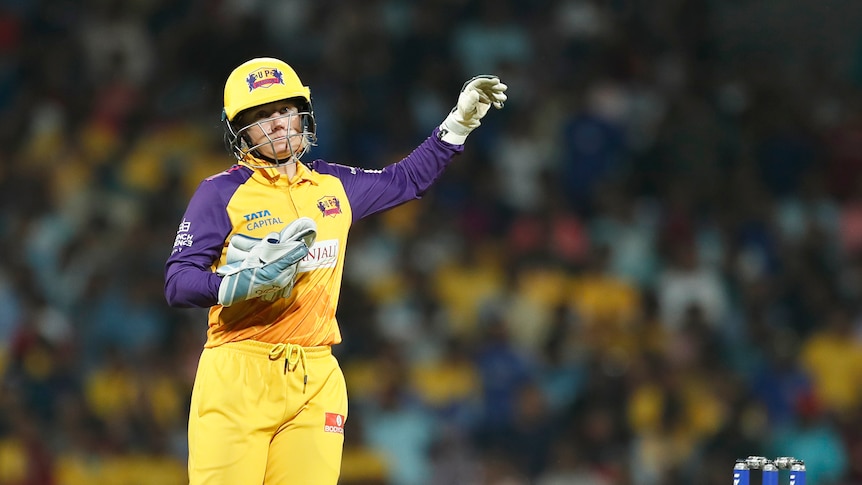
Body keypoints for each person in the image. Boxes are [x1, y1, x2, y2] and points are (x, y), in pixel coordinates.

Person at [164, 57, 507, 485]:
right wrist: (235, 285)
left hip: (316, 376)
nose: (277, 125)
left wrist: (458, 124)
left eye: (284, 111)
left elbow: (405, 181)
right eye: (261, 117)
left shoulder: (333, 186)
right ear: (240, 131)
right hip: (238, 373)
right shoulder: (220, 192)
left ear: (302, 115)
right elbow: (178, 283)